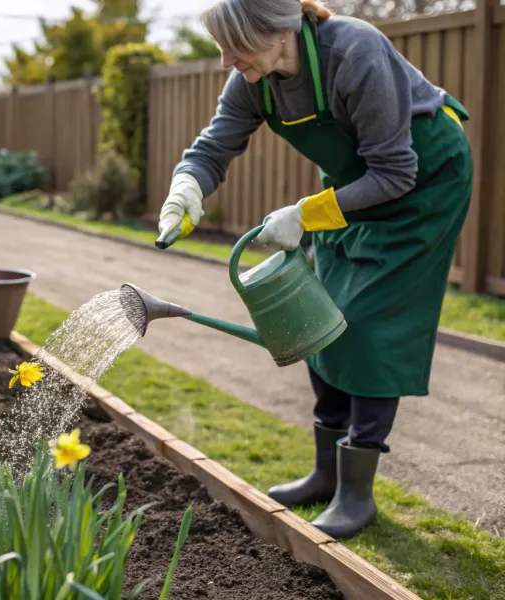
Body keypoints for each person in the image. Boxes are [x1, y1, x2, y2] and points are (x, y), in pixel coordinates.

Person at [156, 0, 473, 539]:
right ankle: (326, 473)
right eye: (221, 47)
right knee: (314, 315)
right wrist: (187, 185)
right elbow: (213, 146)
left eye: (236, 46)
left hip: (421, 186)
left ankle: (357, 493)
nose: (227, 59)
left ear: (278, 31)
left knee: (371, 327)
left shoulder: (354, 51)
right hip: (353, 187)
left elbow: (396, 172)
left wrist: (305, 214)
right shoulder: (254, 79)